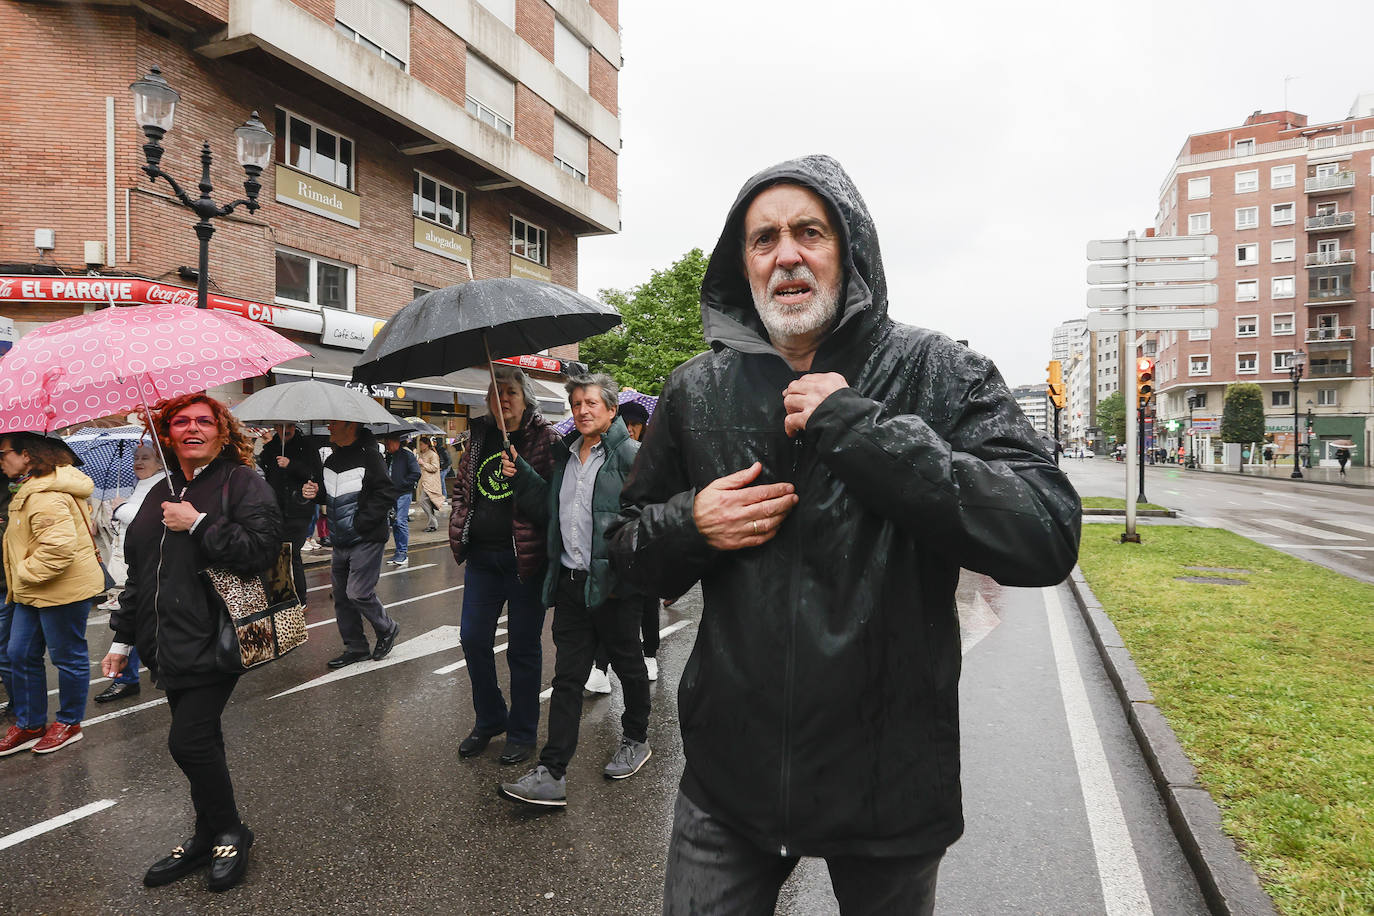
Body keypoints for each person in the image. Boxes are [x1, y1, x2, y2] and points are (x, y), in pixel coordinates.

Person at [606, 156, 1081, 913]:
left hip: (888, 777)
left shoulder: (940, 371)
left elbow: (1045, 531)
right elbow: (627, 551)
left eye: (808, 232)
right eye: (763, 240)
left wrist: (859, 428)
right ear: (744, 265)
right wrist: (689, 524)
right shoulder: (696, 388)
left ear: (850, 249)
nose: (785, 253)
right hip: (730, 779)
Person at [99, 394, 280, 891]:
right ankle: (205, 834)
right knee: (204, 740)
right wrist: (123, 641)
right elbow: (142, 576)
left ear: (223, 431)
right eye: (181, 422)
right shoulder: (161, 488)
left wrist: (198, 523)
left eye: (205, 420)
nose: (193, 428)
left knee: (189, 739)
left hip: (216, 637)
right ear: (166, 433)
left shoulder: (243, 482)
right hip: (165, 642)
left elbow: (260, 552)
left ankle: (229, 831)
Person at [498, 374, 651, 807]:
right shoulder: (565, 457)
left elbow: (646, 515)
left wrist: (626, 561)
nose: (582, 410)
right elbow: (550, 509)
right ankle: (552, 772)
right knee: (567, 677)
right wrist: (522, 474)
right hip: (570, 584)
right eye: (576, 404)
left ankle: (636, 738)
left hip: (616, 586)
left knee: (628, 664)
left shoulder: (631, 454)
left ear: (611, 409)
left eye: (591, 403)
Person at [448, 365, 560, 766]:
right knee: (473, 639)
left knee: (523, 650)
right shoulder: (478, 437)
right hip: (481, 560)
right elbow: (462, 488)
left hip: (524, 563)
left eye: (510, 391)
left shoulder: (546, 439)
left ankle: (523, 731)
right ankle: (490, 718)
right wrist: (460, 523)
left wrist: (523, 477)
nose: (503, 399)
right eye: (495, 392)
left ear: (526, 396)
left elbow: (553, 505)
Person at [0, 433, 105, 757]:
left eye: (3, 453)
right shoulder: (29, 486)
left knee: (67, 658)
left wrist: (22, 573)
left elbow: (57, 550)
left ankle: (69, 723)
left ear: (27, 456)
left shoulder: (46, 494)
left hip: (61, 590)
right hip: (32, 591)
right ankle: (31, 723)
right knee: (19, 653)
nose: (0, 459)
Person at [302, 421, 402, 669]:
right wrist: (315, 492)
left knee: (357, 592)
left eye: (333, 423)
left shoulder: (371, 456)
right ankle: (356, 648)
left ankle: (387, 627)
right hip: (340, 539)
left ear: (350, 425)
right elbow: (332, 495)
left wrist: (361, 523)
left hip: (366, 538)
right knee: (342, 597)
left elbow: (386, 493)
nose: (328, 426)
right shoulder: (332, 461)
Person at [585, 399, 661, 689]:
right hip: (617, 542)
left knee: (647, 602)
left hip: (645, 541)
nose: (630, 430)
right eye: (626, 424)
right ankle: (601, 669)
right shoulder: (608, 455)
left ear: (644, 427)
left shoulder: (649, 455)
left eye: (636, 425)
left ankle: (650, 653)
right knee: (611, 606)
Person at [93, 442, 165, 703]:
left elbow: (153, 521)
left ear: (160, 462)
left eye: (146, 457)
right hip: (130, 562)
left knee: (134, 615)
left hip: (146, 567)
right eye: (136, 458)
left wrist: (122, 509)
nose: (139, 462)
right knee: (129, 616)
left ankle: (128, 678)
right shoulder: (141, 484)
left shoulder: (162, 484)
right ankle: (127, 677)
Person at [259, 423, 322, 605]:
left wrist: (291, 465)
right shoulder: (270, 449)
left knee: (293, 554)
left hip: (298, 510)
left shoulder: (307, 447)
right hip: (275, 510)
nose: (286, 430)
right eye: (280, 426)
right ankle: (280, 596)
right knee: (276, 553)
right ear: (275, 428)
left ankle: (300, 599)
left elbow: (315, 475)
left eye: (290, 426)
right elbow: (264, 475)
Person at [382, 433, 420, 567]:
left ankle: (403, 554)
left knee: (400, 522)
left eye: (388, 443)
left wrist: (402, 483)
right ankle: (398, 553)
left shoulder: (407, 455)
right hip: (391, 494)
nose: (387, 446)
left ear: (396, 442)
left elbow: (416, 473)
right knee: (394, 523)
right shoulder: (389, 456)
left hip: (403, 493)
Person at [415, 437, 448, 533]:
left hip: (431, 483)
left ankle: (433, 523)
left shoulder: (433, 455)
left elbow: (435, 468)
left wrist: (423, 463)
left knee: (422, 501)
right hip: (424, 481)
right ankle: (432, 525)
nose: (420, 446)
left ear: (426, 444)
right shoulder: (421, 454)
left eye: (421, 444)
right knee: (427, 503)